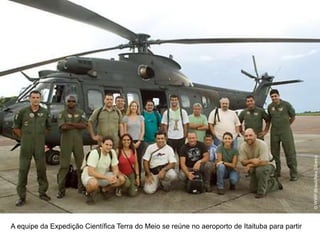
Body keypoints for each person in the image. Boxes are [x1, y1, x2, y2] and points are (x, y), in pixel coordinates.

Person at [12, 90, 51, 206]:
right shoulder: (23, 112)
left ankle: (43, 192)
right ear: (30, 99)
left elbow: (48, 128)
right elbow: (16, 128)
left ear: (40, 99)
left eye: (37, 97)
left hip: (39, 146)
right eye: (33, 97)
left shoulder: (44, 112)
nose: (35, 99)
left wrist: (39, 137)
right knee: (23, 170)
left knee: (42, 170)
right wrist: (25, 138)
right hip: (26, 146)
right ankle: (21, 197)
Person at [56, 95, 88, 198]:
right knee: (64, 166)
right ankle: (61, 190)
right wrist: (76, 124)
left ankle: (81, 187)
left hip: (78, 142)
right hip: (66, 142)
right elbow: (62, 126)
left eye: (73, 101)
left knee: (81, 165)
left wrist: (70, 124)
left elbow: (84, 125)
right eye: (69, 101)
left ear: (76, 102)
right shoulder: (62, 113)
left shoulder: (81, 112)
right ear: (66, 102)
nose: (71, 103)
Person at [81, 136, 126, 204]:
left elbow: (115, 168)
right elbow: (91, 172)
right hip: (90, 176)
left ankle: (104, 190)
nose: (108, 147)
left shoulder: (112, 152)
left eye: (110, 145)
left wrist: (114, 176)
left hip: (102, 174)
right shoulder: (95, 153)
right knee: (93, 183)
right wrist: (107, 178)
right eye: (106, 144)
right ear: (102, 144)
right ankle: (88, 193)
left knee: (121, 179)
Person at [239, 128, 283, 198]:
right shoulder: (243, 146)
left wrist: (250, 164)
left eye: (250, 135)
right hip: (255, 166)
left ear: (255, 136)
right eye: (246, 136)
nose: (248, 138)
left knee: (260, 170)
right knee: (253, 189)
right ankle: (273, 183)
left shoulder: (262, 144)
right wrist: (252, 160)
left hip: (268, 164)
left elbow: (264, 162)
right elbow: (243, 162)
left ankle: (261, 192)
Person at [267, 89, 298, 181]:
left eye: (275, 96)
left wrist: (287, 125)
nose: (274, 98)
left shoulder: (286, 105)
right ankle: (277, 171)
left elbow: (293, 117)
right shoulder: (270, 107)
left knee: (290, 152)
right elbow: (269, 118)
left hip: (285, 132)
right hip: (274, 132)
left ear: (279, 96)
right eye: (272, 97)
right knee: (274, 153)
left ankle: (293, 173)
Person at [122, 100, 146, 176]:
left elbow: (142, 130)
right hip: (129, 142)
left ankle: (138, 178)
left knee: (138, 160)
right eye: (132, 106)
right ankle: (130, 176)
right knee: (129, 159)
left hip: (139, 141)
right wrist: (130, 142)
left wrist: (139, 141)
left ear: (137, 108)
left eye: (135, 106)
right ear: (130, 107)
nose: (133, 107)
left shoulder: (141, 117)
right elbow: (125, 131)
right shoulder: (126, 118)